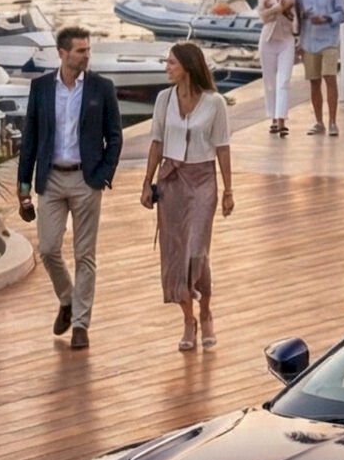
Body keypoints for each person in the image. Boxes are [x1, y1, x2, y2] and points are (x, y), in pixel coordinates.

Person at [16, 25, 123, 350]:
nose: (86, 55)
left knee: (85, 255)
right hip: (50, 178)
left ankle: (80, 325)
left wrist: (104, 174)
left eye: (88, 50)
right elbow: (31, 137)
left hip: (85, 179)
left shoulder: (101, 88)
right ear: (62, 53)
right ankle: (67, 299)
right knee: (48, 249)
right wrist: (22, 186)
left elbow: (114, 136)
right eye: (80, 50)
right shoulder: (42, 88)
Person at [141, 43, 234, 351]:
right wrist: (146, 183)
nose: (167, 67)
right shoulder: (163, 99)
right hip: (170, 181)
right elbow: (156, 142)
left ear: (188, 66)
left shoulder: (215, 102)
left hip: (203, 180)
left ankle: (206, 311)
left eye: (171, 63)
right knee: (175, 254)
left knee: (197, 251)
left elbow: (222, 146)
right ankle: (188, 320)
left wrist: (228, 190)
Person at [296, 0, 344, 136]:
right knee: (314, 83)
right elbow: (295, 17)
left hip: (329, 42)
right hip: (309, 42)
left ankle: (333, 122)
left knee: (330, 79)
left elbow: (343, 14)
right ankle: (319, 122)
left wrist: (326, 18)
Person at [257, 0, 298, 136]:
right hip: (268, 40)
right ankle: (273, 117)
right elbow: (263, 17)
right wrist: (279, 8)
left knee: (284, 80)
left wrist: (277, 10)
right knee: (270, 81)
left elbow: (293, 14)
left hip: (286, 39)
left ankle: (281, 119)